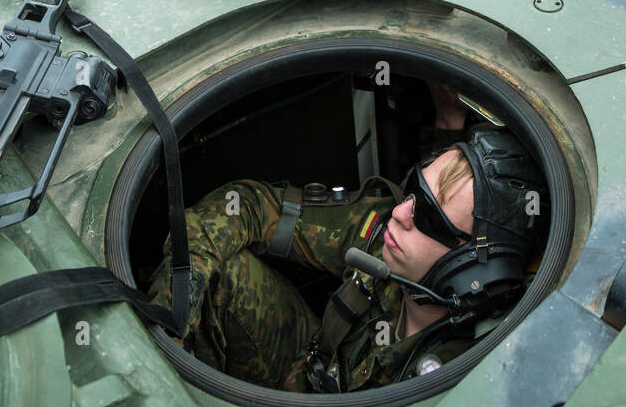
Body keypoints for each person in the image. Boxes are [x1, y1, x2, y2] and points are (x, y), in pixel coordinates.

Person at [148, 125, 543, 392]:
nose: (400, 213)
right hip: (305, 377)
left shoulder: (469, 377)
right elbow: (247, 206)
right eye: (412, 191)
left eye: (427, 215)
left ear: (471, 267)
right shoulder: (379, 235)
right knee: (223, 271)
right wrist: (175, 312)